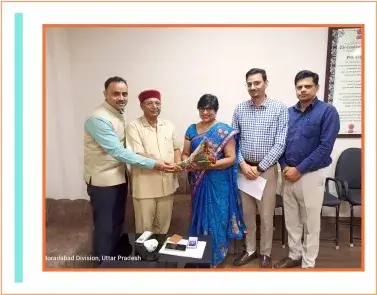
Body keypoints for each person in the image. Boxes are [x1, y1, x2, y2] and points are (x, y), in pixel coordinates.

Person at [84, 77, 175, 262]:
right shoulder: (98, 118)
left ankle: (115, 265)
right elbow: (118, 151)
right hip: (103, 182)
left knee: (118, 225)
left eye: (124, 94)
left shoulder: (117, 114)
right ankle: (102, 268)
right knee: (105, 228)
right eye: (115, 93)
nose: (121, 97)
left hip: (119, 178)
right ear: (105, 95)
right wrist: (155, 163)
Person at [274, 70, 340, 269]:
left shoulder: (328, 112)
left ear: (317, 88)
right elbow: (280, 144)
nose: (303, 90)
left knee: (311, 223)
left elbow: (325, 147)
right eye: (299, 86)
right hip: (287, 175)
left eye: (307, 86)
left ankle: (308, 263)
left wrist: (299, 169)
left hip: (310, 176)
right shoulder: (288, 113)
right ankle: (294, 255)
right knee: (292, 220)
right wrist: (285, 167)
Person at [232, 68, 289, 268]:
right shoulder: (239, 109)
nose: (253, 87)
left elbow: (281, 143)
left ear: (266, 82)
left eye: (257, 83)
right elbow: (234, 142)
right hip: (244, 170)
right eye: (249, 84)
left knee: (266, 216)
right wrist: (242, 164)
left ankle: (265, 252)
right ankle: (250, 250)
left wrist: (260, 167)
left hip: (267, 171)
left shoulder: (279, 108)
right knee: (247, 215)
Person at [182, 94, 246, 268]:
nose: (205, 112)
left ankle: (215, 255)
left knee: (218, 216)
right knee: (199, 215)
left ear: (215, 110)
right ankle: (197, 253)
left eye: (209, 108)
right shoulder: (191, 129)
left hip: (218, 181)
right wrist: (188, 162)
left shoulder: (223, 130)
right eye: (202, 108)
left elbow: (231, 158)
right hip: (198, 180)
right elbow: (186, 153)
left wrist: (209, 164)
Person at [125, 89, 182, 234]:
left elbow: (176, 148)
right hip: (145, 187)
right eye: (149, 103)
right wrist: (162, 163)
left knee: (163, 228)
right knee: (145, 229)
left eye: (157, 103)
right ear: (142, 106)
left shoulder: (169, 125)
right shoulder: (134, 127)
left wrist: (178, 163)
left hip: (167, 185)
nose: (154, 106)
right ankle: (145, 256)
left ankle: (159, 256)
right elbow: (138, 153)